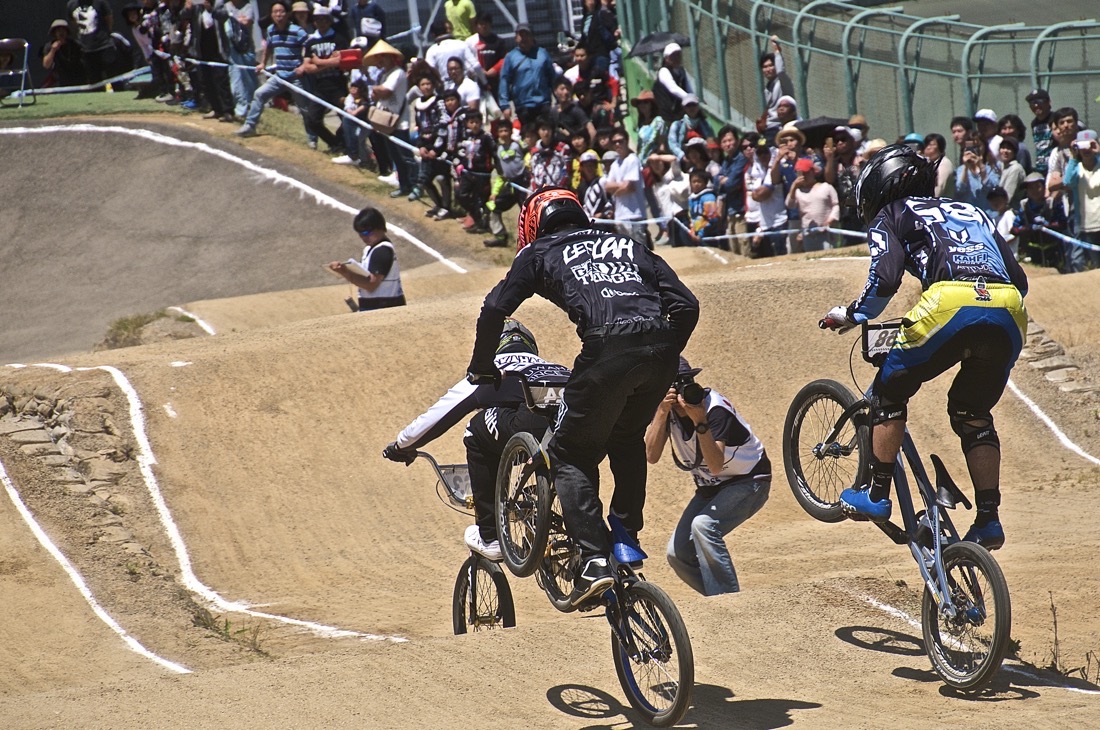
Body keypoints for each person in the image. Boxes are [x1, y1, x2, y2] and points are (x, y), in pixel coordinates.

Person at [466, 187, 699, 606]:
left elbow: (494, 308)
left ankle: (593, 557)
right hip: (662, 349)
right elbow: (686, 304)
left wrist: (482, 366)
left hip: (606, 348)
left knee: (569, 454)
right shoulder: (628, 242)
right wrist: (660, 352)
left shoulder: (537, 252)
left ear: (534, 222)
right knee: (625, 439)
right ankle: (626, 536)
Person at [822, 144, 1028, 551]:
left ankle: (877, 495)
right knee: (973, 413)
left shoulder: (892, 213)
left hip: (948, 304)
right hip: (1008, 307)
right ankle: (989, 519)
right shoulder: (973, 211)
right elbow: (1019, 278)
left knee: (888, 390)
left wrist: (850, 315)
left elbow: (883, 280)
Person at [383, 320, 567, 561]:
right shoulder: (556, 368)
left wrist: (402, 445)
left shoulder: (491, 370)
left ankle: (490, 536)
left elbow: (438, 416)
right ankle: (589, 546)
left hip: (523, 427)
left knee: (475, 429)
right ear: (531, 347)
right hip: (571, 427)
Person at [645, 357, 770, 595]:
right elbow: (651, 455)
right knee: (676, 553)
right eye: (677, 386)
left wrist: (700, 421)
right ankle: (716, 599)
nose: (685, 391)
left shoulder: (714, 408)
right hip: (711, 488)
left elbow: (714, 465)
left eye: (688, 382)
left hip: (749, 481)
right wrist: (661, 411)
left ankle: (728, 601)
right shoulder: (664, 409)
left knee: (703, 526)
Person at [235, 1, 308, 138]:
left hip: (296, 78)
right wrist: (262, 63)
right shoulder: (270, 30)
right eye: (275, 12)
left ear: (287, 14)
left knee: (304, 108)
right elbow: (268, 47)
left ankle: (312, 139)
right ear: (271, 15)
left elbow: (309, 47)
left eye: (281, 11)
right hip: (279, 76)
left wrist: (303, 65)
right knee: (259, 94)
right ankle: (250, 126)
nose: (278, 14)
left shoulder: (297, 31)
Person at [328, 206, 406, 311]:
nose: (363, 237)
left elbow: (371, 285)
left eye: (366, 233)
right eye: (360, 233)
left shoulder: (382, 251)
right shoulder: (369, 249)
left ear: (379, 227)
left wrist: (345, 272)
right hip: (376, 307)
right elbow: (366, 278)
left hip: (385, 308)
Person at [296, 5, 348, 152]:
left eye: (324, 19)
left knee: (348, 118)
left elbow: (342, 62)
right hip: (319, 86)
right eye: (318, 19)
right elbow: (307, 67)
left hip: (338, 84)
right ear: (314, 22)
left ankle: (341, 141)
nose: (321, 22)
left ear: (329, 21)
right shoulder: (311, 42)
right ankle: (334, 143)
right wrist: (328, 63)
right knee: (312, 119)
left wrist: (318, 62)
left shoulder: (339, 39)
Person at [498, 23, 555, 127]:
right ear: (516, 38)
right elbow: (504, 80)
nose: (524, 38)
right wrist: (504, 105)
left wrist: (558, 99)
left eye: (527, 35)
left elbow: (552, 77)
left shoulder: (542, 54)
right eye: (521, 35)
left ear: (532, 36)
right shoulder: (511, 57)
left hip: (543, 103)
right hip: (523, 105)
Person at [603, 128, 649, 247]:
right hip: (620, 216)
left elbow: (629, 186)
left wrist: (616, 190)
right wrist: (621, 187)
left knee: (641, 251)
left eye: (620, 141)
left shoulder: (632, 159)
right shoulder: (615, 164)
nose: (618, 144)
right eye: (614, 142)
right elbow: (607, 186)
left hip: (635, 215)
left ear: (627, 141)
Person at [1011, 171, 1066, 269]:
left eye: (1037, 186)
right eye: (1030, 188)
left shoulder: (1052, 204)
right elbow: (1015, 229)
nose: (1034, 190)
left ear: (1044, 187)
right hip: (1032, 251)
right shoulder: (1024, 206)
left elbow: (1063, 223)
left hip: (1053, 250)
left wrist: (1048, 226)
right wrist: (1028, 228)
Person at [1063, 129, 1100, 270]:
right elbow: (1067, 182)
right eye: (1082, 146)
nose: (1087, 150)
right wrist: (1073, 156)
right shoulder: (1076, 168)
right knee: (1096, 265)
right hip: (1087, 224)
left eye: (1090, 145)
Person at [785, 158, 838, 252]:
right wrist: (793, 187)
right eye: (800, 174)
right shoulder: (798, 192)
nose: (803, 176)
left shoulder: (826, 187)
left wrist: (830, 220)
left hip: (826, 232)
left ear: (812, 172)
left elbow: (835, 205)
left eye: (806, 173)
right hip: (808, 234)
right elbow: (790, 205)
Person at [66, 0, 117, 85]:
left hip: (104, 46)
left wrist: (105, 34)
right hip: (87, 50)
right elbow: (73, 23)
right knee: (94, 81)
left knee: (114, 79)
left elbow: (109, 19)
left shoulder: (100, 2)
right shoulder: (71, 4)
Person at [758, 36, 794, 136]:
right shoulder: (767, 88)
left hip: (781, 127)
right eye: (765, 67)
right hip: (769, 128)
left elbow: (781, 71)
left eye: (771, 65)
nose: (768, 69)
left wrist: (777, 51)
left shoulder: (783, 82)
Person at [651, 42, 691, 123]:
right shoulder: (664, 71)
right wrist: (689, 98)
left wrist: (694, 97)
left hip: (680, 113)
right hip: (667, 115)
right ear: (666, 59)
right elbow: (673, 88)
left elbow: (688, 88)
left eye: (678, 55)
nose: (676, 58)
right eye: (673, 56)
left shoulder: (681, 71)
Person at [41, 18, 86, 87]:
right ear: (54, 33)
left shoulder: (75, 44)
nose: (61, 33)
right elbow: (46, 65)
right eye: (58, 30)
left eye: (63, 30)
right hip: (61, 80)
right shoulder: (49, 46)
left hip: (78, 77)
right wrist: (53, 50)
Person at [1026, 88, 1055, 176]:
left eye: (1039, 102)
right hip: (1040, 167)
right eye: (1032, 103)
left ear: (1048, 102)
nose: (1036, 105)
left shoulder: (1056, 118)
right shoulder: (1034, 123)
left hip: (1054, 167)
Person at [922, 133, 954, 197]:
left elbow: (939, 188)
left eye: (932, 145)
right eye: (926, 145)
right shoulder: (929, 163)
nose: (928, 147)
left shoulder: (944, 163)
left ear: (941, 148)